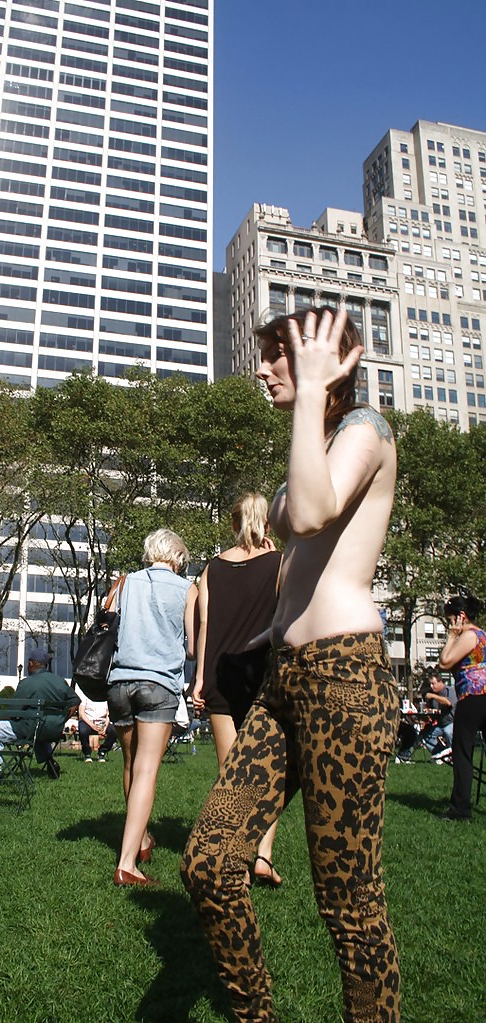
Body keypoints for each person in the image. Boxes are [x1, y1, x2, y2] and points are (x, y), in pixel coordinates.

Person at [182, 306, 400, 1023]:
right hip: (286, 683)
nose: (265, 366)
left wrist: (313, 391)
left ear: (340, 357)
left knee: (349, 902)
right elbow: (294, 553)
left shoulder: (366, 430)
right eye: (268, 352)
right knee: (211, 861)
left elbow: (309, 514)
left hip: (347, 680)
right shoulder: (314, 446)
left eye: (283, 351)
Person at [191, 492, 283, 887]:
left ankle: (232, 862)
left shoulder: (212, 568)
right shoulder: (280, 564)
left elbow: (205, 627)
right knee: (269, 771)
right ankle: (261, 856)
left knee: (231, 776)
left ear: (233, 523)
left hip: (220, 677)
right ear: (268, 522)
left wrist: (198, 679)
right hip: (263, 678)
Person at [108, 529, 198, 887]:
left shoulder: (125, 583)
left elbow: (108, 626)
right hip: (158, 684)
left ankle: (142, 839)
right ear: (178, 558)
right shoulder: (187, 589)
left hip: (119, 683)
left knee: (130, 765)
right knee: (147, 770)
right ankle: (127, 863)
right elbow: (192, 647)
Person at [0, 646, 79, 780]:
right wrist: (62, 719)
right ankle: (50, 762)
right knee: (38, 729)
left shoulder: (27, 683)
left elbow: (15, 711)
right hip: (53, 730)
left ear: (31, 663)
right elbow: (75, 702)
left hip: (31, 728)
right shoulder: (60, 681)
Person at [437, 594, 486, 820]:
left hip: (474, 697)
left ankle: (460, 809)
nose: (449, 624)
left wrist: (451, 636)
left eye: (450, 620)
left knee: (462, 752)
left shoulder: (469, 636)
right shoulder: (483, 635)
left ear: (461, 616)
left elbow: (444, 662)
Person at [75, 685, 118, 763]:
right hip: (87, 721)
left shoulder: (105, 697)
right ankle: (87, 753)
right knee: (83, 731)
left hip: (102, 721)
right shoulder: (85, 695)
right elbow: (81, 713)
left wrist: (105, 725)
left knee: (114, 731)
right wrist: (92, 725)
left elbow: (109, 713)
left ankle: (102, 751)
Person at [421, 671, 455, 759]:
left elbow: (448, 703)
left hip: (453, 722)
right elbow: (434, 712)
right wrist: (425, 715)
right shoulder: (433, 695)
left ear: (440, 682)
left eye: (433, 683)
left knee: (448, 731)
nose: (431, 686)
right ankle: (441, 755)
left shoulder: (449, 691)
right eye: (430, 684)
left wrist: (433, 696)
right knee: (425, 735)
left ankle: (454, 755)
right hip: (440, 724)